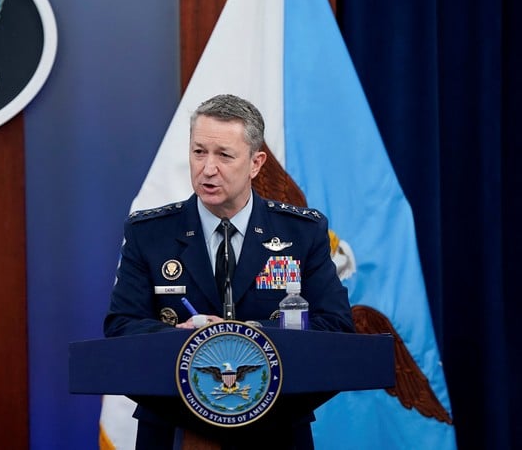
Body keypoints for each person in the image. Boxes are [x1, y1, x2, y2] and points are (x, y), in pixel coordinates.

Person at [104, 94, 354, 449]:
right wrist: (185, 335)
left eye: (224, 155)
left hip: (277, 426)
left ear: (256, 162)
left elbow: (336, 326)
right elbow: (121, 327)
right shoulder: (150, 234)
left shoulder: (301, 233)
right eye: (199, 152)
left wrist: (248, 334)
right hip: (173, 427)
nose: (207, 168)